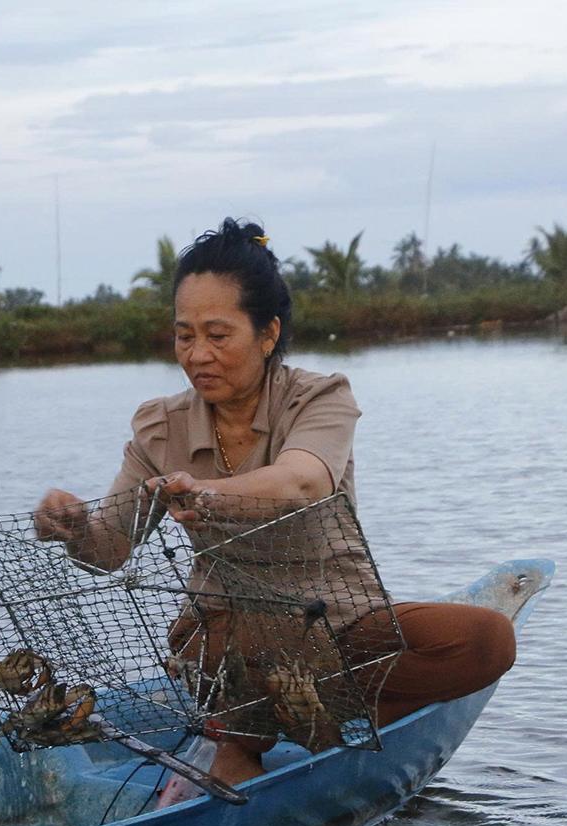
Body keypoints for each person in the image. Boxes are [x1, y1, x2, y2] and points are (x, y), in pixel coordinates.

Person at [33, 218, 516, 788]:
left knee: (486, 640)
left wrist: (210, 493)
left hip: (339, 623)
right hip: (230, 641)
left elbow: (302, 481)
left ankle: (319, 722)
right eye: (184, 336)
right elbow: (110, 549)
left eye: (218, 335)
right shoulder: (160, 427)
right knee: (225, 636)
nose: (198, 354)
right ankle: (252, 740)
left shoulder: (319, 398)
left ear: (267, 335)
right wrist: (69, 527)